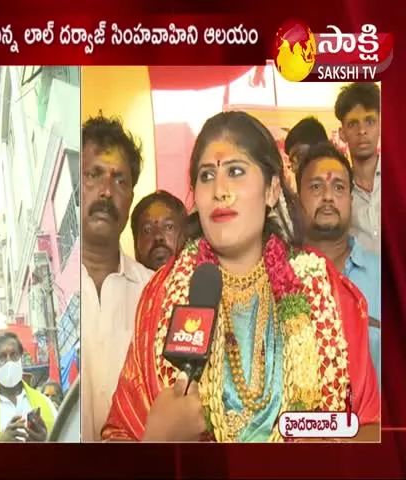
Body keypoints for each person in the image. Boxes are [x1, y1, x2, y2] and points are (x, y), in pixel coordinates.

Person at [102, 111, 379, 443]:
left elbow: (370, 426)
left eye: (235, 172)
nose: (220, 191)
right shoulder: (161, 296)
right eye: (206, 176)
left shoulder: (324, 289)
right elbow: (119, 434)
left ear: (272, 189)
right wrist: (157, 441)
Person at [81, 113, 154, 441]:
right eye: (93, 175)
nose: (107, 192)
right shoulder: (52, 292)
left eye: (120, 180)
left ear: (131, 199)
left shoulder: (156, 293)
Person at [296, 140, 380, 385]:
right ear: (297, 199)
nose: (328, 197)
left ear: (352, 200)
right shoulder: (278, 276)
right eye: (315, 187)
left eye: (339, 187)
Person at [0, 332, 57, 442]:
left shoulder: (45, 403)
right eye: (2, 357)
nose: (9, 362)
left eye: (14, 355)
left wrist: (46, 440)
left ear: (21, 359)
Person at [335, 82, 381, 254]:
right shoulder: (339, 191)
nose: (362, 131)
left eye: (369, 121)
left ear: (380, 126)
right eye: (353, 124)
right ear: (342, 134)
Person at [131, 190, 187, 271]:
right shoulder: (123, 283)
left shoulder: (202, 280)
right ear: (136, 244)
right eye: (147, 230)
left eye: (169, 227)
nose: (158, 236)